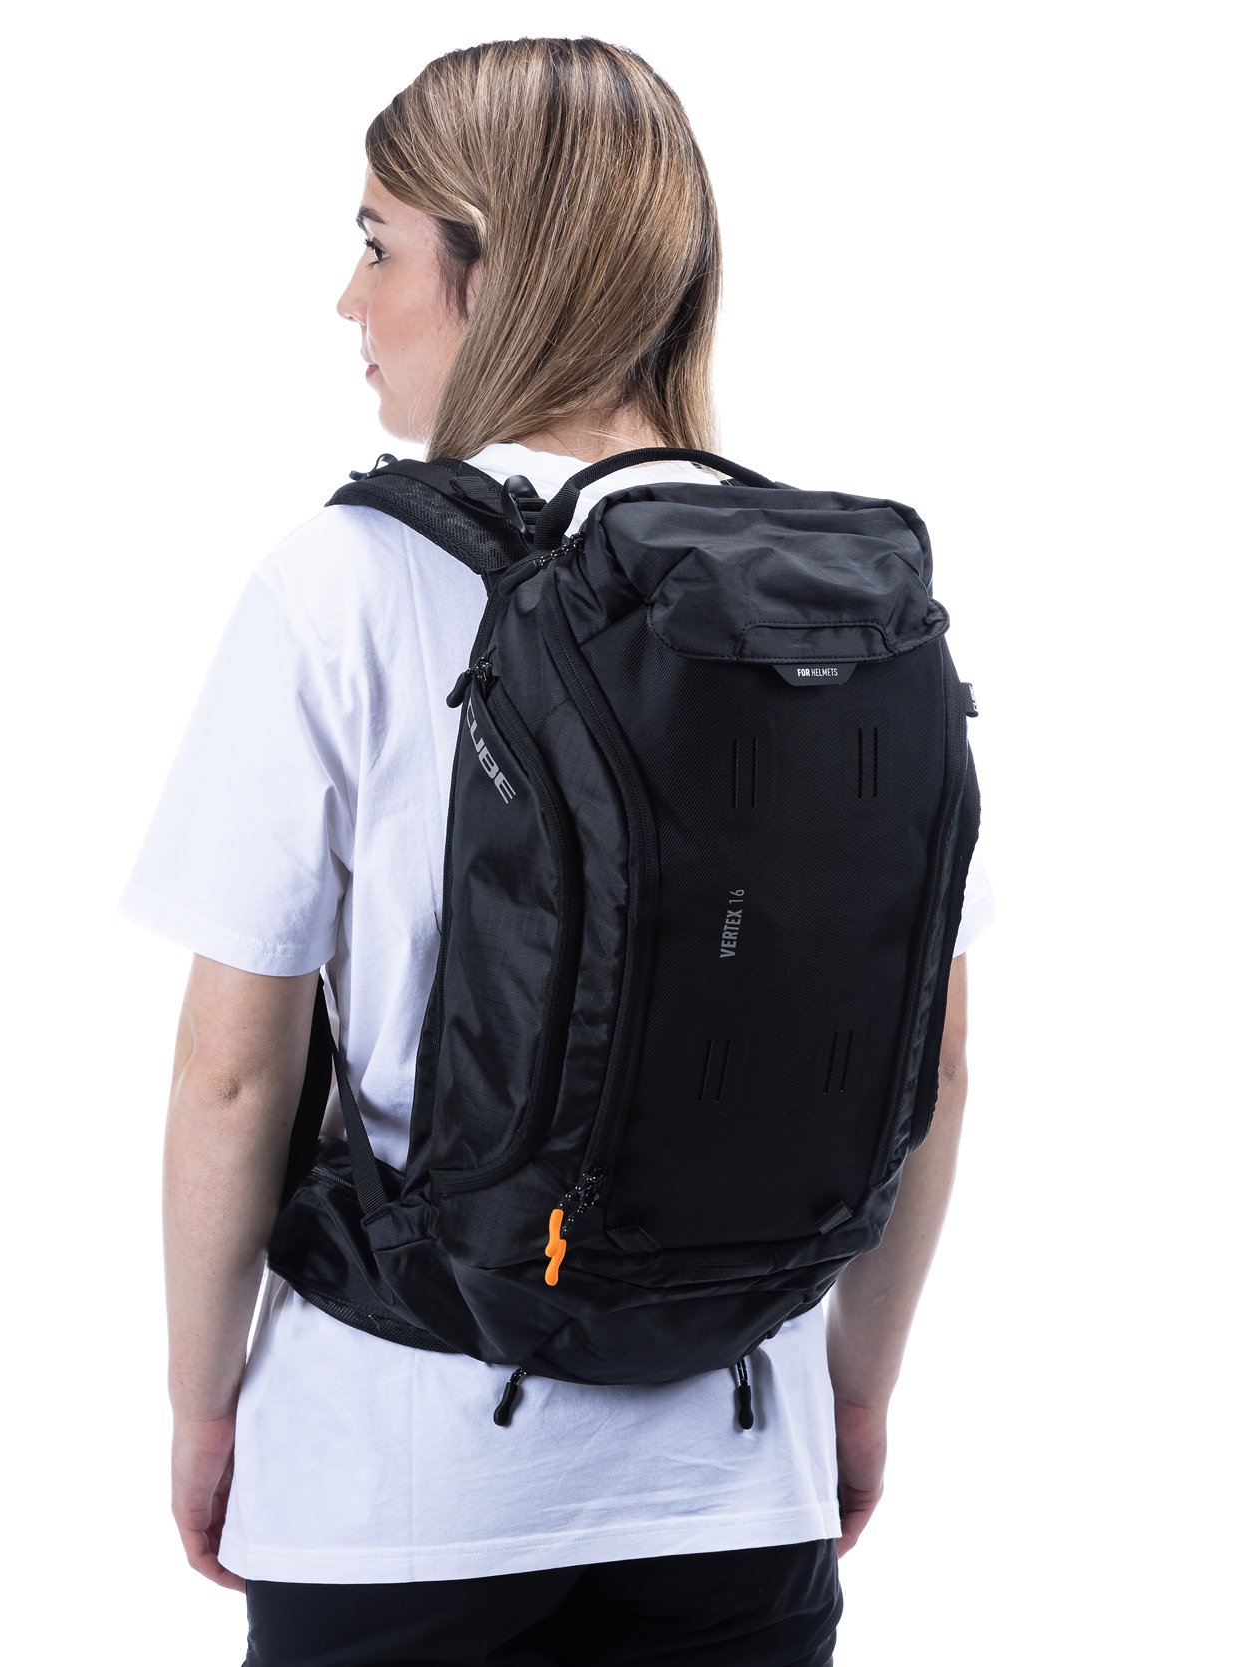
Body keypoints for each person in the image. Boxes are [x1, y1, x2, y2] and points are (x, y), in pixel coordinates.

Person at [119, 37, 992, 1666]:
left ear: (497, 270)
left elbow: (234, 1077)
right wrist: (856, 1392)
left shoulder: (341, 581)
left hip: (398, 1486)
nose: (348, 299)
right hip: (743, 1486)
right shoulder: (834, 606)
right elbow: (932, 1062)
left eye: (378, 244)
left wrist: (203, 1403)